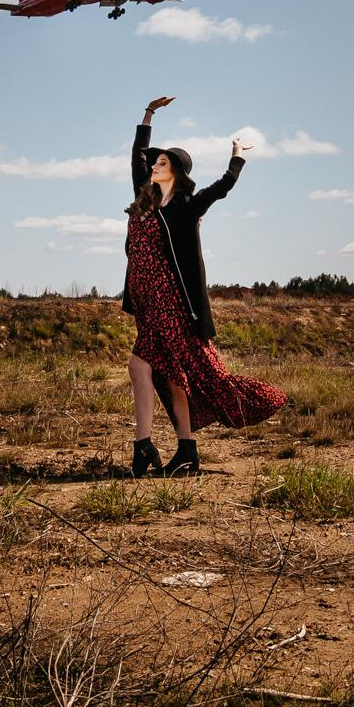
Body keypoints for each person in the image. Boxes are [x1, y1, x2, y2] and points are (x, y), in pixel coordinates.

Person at [122, 95, 287, 477]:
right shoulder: (143, 199)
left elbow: (223, 187)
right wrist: (148, 115)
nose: (153, 165)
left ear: (176, 172)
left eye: (163, 163)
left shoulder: (185, 207)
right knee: (160, 373)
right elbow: (138, 154)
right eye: (155, 161)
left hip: (173, 304)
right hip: (147, 303)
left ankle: (147, 445)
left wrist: (237, 157)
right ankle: (181, 450)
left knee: (145, 367)